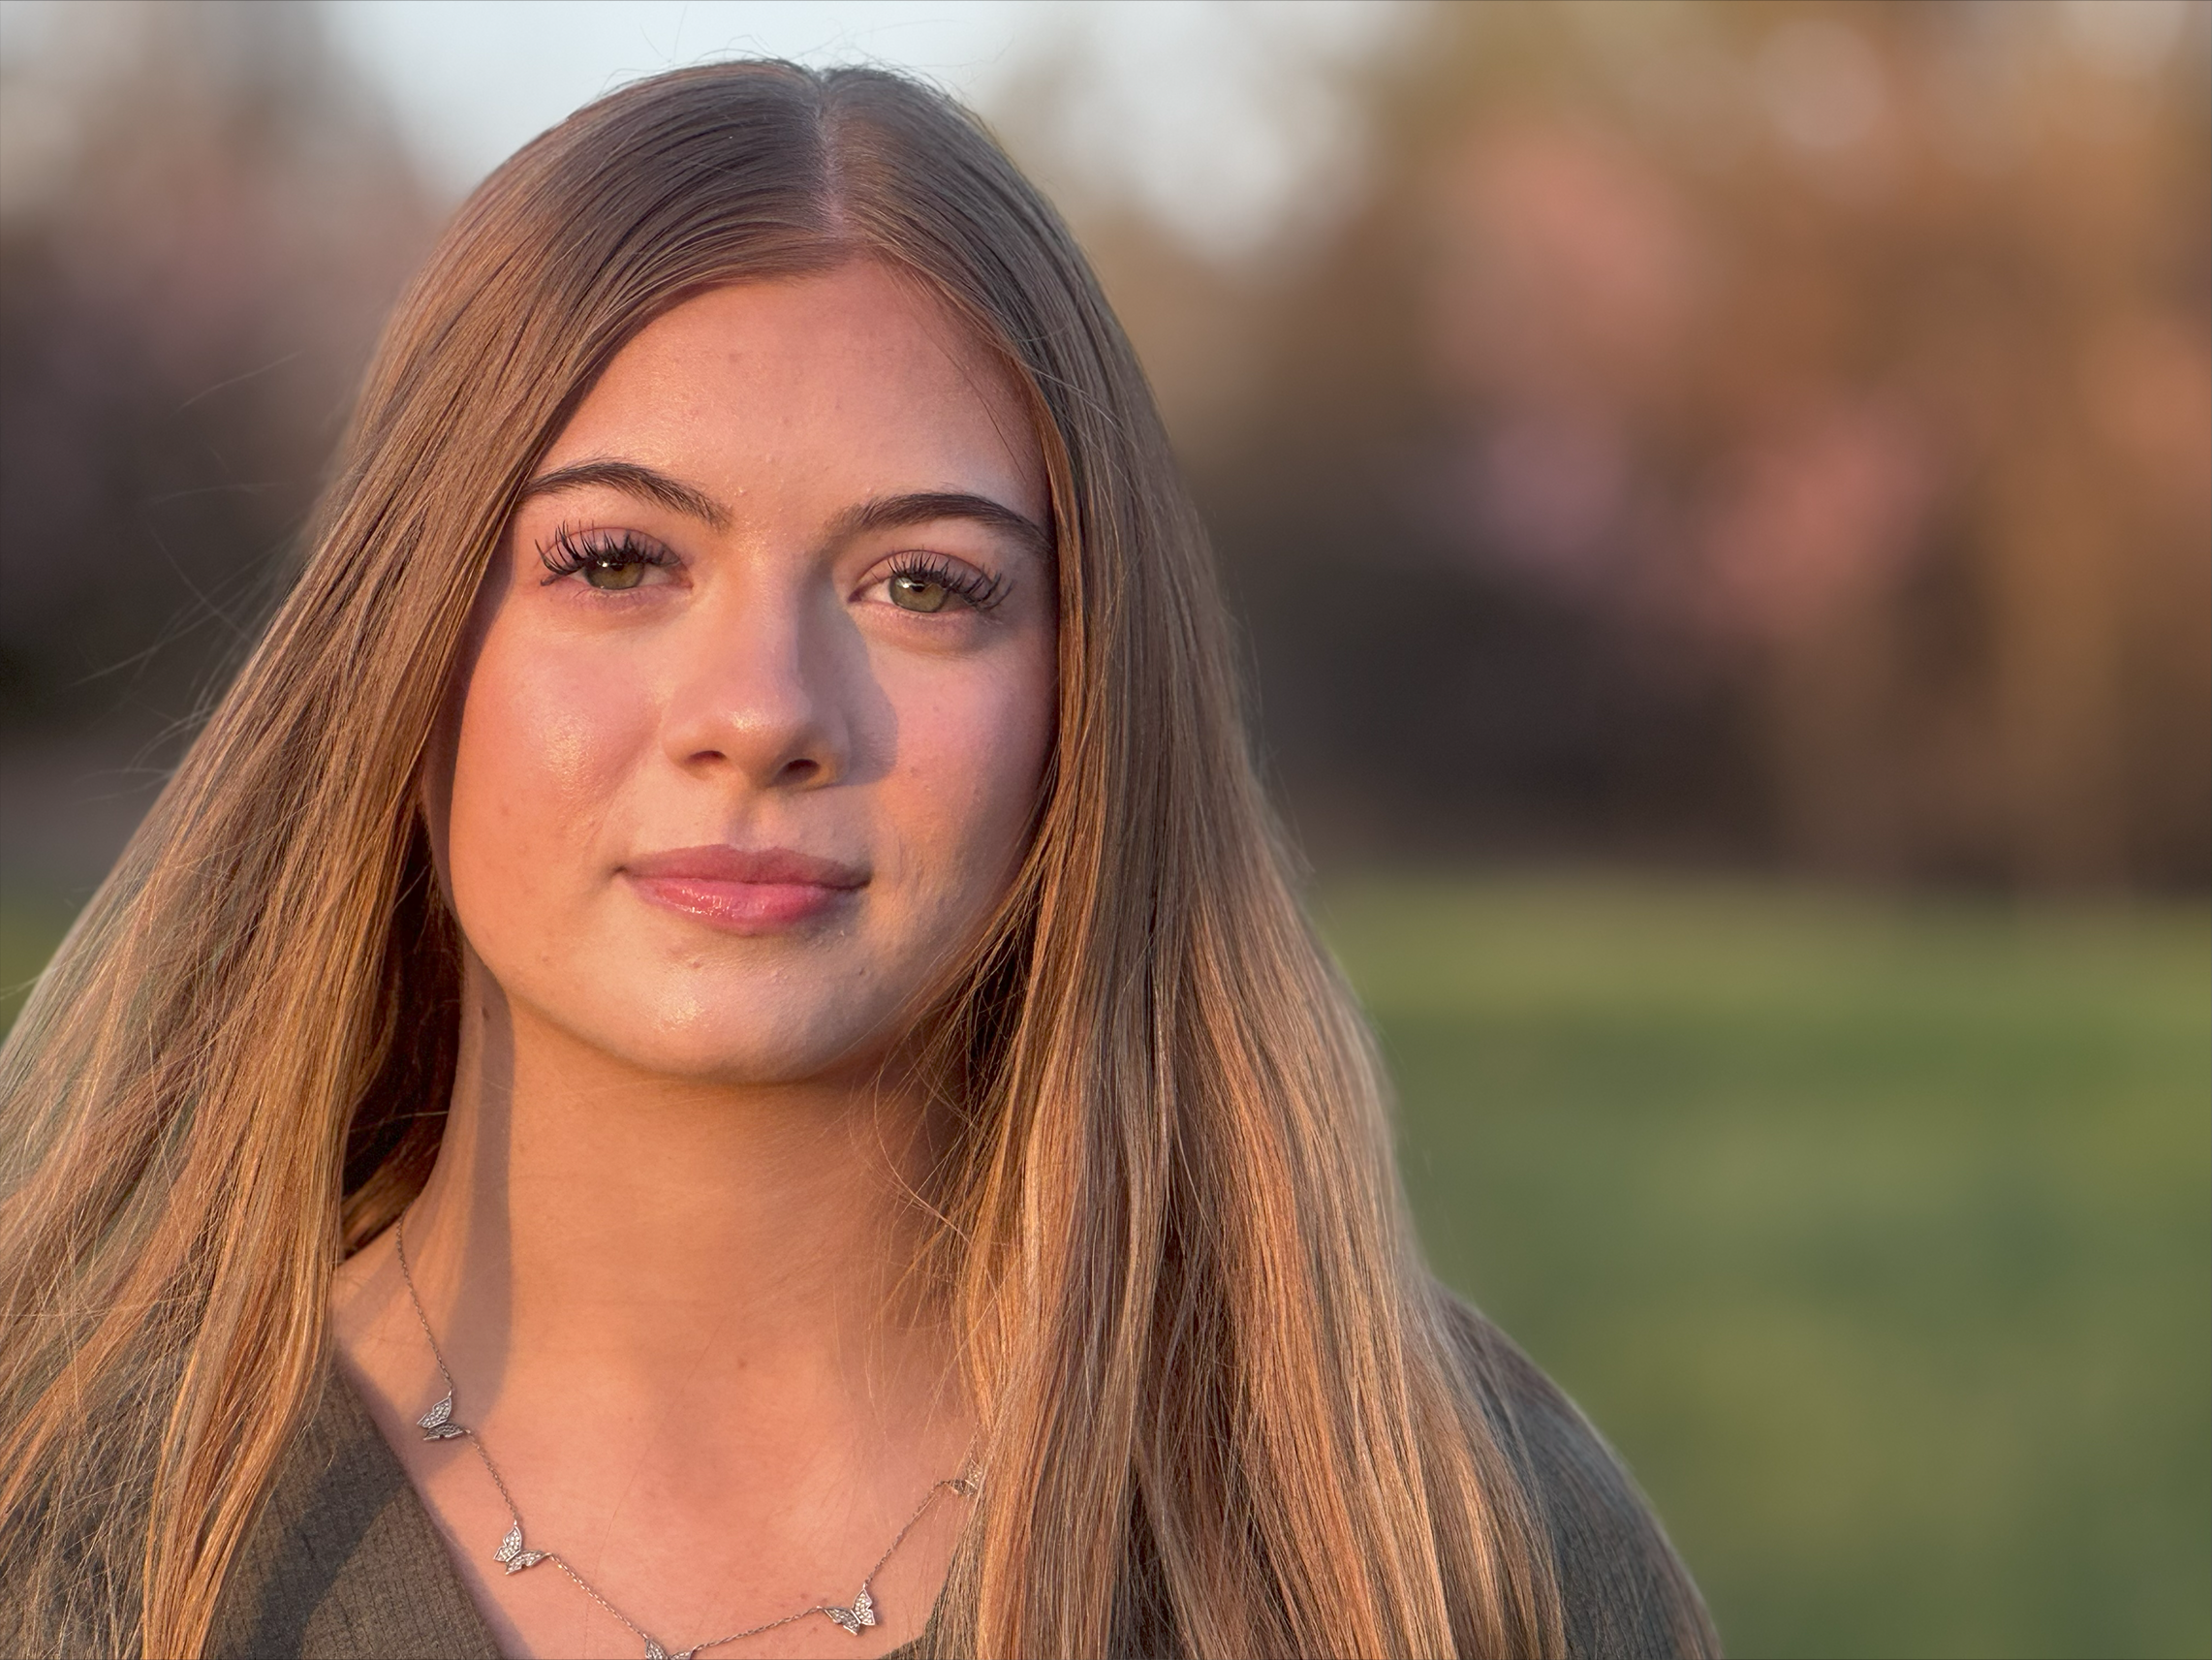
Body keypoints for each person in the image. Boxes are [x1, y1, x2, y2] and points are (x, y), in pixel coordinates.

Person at [0, 61, 1717, 1660]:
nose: (760, 713)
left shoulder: (1437, 1547)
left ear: (1088, 698)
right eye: (615, 558)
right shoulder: (67, 1534)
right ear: (404, 638)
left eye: (922, 585)